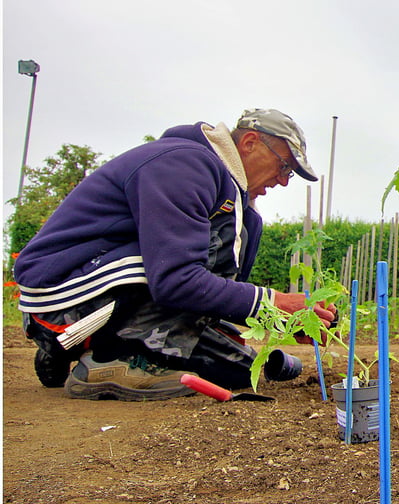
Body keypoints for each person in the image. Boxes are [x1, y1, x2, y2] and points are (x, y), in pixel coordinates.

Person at [14, 108, 336, 401]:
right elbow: (176, 280)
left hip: (101, 299)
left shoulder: (240, 209)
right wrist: (272, 302)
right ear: (250, 142)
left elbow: (208, 299)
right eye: (284, 165)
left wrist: (279, 318)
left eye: (289, 173)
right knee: (186, 263)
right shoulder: (186, 165)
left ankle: (74, 348)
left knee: (238, 371)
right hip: (58, 298)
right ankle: (108, 359)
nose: (282, 181)